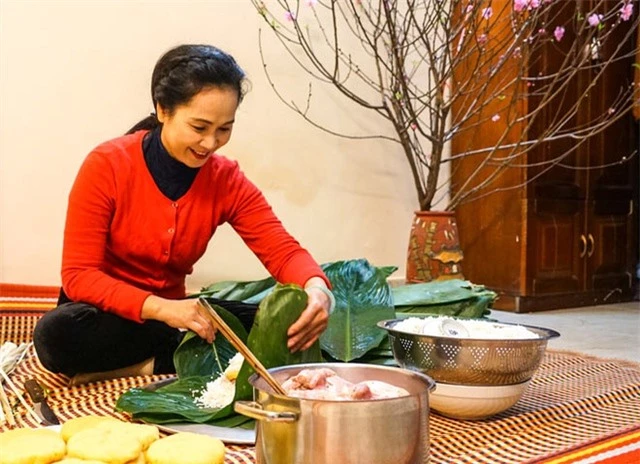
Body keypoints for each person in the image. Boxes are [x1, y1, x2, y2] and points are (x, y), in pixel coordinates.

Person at [33, 44, 334, 384]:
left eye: (224, 129)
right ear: (163, 110)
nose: (210, 143)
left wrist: (317, 290)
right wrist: (164, 310)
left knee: (297, 323)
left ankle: (145, 364)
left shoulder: (225, 179)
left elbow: (283, 251)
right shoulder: (107, 165)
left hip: (176, 318)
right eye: (200, 127)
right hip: (104, 314)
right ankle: (177, 355)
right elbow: (79, 276)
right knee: (53, 336)